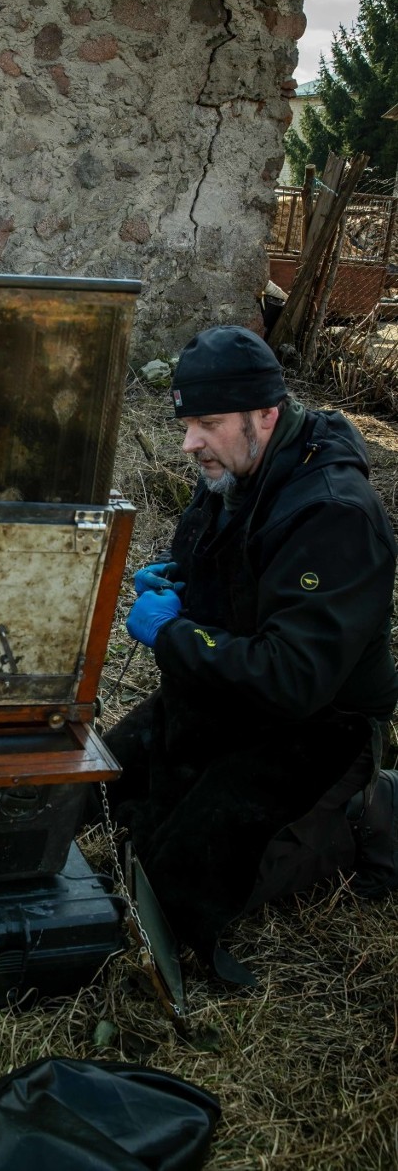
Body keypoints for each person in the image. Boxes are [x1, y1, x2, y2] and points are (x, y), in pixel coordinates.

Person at [105, 325, 398, 982]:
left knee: (173, 888)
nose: (189, 442)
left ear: (264, 415)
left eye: (207, 423)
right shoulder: (241, 469)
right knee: (106, 791)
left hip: (317, 724)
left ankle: (364, 819)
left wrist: (174, 635)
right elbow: (227, 573)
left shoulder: (334, 515)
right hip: (235, 696)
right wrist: (179, 583)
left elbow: (295, 678)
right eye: (186, 423)